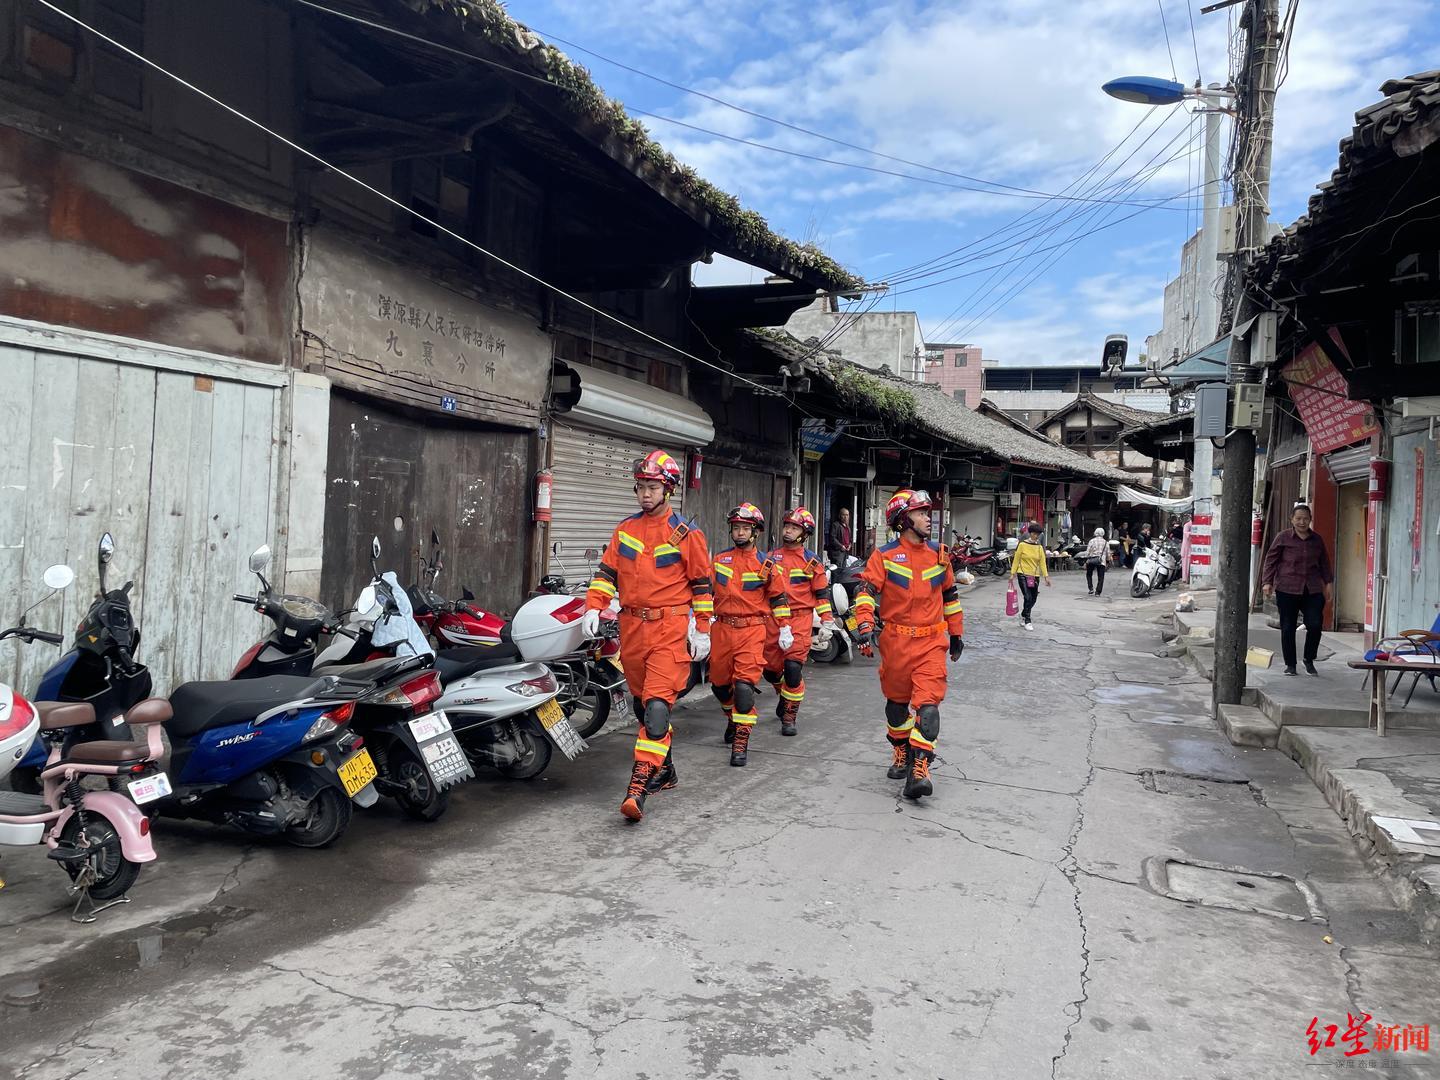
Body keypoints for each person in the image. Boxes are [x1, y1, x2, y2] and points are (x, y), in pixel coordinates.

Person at [583, 450, 714, 823]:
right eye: (641, 486)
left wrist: (702, 629)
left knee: (656, 708)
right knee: (643, 707)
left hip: (670, 628)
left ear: (668, 489)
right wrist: (593, 606)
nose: (645, 493)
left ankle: (637, 789)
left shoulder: (687, 535)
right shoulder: (625, 529)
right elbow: (606, 574)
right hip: (632, 629)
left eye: (652, 487)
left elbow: (702, 586)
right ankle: (666, 770)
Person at [851, 489, 965, 800]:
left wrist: (956, 634)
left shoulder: (940, 556)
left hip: (931, 641)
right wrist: (863, 623)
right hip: (896, 642)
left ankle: (919, 770)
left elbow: (950, 597)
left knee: (929, 707)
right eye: (920, 512)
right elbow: (865, 590)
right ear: (903, 520)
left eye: (928, 512)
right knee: (896, 707)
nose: (928, 518)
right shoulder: (884, 556)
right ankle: (901, 750)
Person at [710, 503, 793, 767]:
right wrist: (695, 622)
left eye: (745, 528)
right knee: (720, 686)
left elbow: (779, 598)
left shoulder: (767, 565)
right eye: (736, 528)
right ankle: (733, 720)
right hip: (721, 629)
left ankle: (741, 742)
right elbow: (703, 591)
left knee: (744, 687)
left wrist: (785, 626)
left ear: (755, 532)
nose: (740, 533)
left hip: (752, 630)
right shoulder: (719, 560)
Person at [762, 507, 835, 736]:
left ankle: (789, 716)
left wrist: (826, 621)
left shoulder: (811, 562)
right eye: (787, 526)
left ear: (804, 534)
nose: (788, 531)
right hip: (773, 620)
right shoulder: (770, 557)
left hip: (800, 620)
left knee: (793, 669)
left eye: (794, 528)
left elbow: (822, 595)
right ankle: (784, 693)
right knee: (770, 671)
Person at [1260, 503, 1334, 677]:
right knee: (1288, 627)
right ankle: (1290, 665)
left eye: (1305, 519)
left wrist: (1328, 583)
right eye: (1298, 518)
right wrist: (1267, 582)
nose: (1302, 522)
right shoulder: (1283, 537)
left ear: (1310, 520)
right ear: (1291, 519)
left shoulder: (1317, 540)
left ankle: (1309, 659)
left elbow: (1324, 562)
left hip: (1313, 588)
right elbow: (1271, 560)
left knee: (1315, 625)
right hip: (1287, 588)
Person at [1009, 523, 1051, 630]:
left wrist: (1046, 577)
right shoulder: (1022, 545)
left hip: (1034, 575)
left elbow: (1042, 562)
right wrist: (1012, 574)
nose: (1036, 536)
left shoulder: (1039, 547)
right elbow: (1016, 560)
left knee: (1033, 598)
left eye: (1038, 534)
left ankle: (1023, 614)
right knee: (1027, 597)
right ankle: (1027, 620)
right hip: (1022, 573)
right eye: (1035, 534)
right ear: (1030, 533)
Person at [1084, 527, 1110, 596]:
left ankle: (1091, 588)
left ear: (1095, 533)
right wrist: (1108, 561)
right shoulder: (1106, 542)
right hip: (1101, 561)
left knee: (1089, 574)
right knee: (1101, 577)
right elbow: (1108, 553)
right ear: (1103, 533)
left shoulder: (1091, 541)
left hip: (1092, 560)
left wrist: (1086, 559)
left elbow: (1087, 552)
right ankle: (1098, 592)